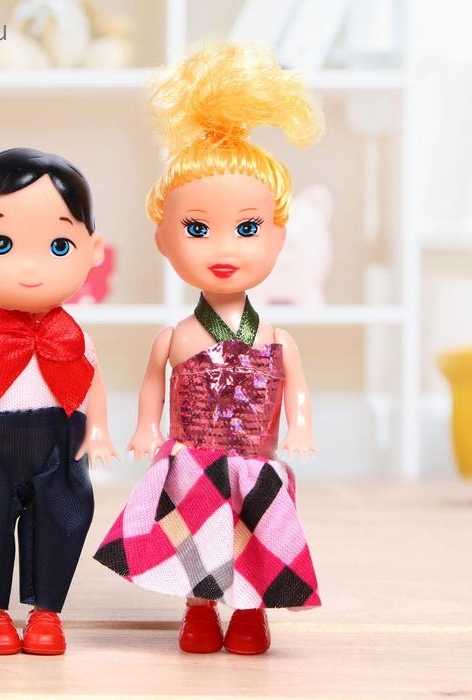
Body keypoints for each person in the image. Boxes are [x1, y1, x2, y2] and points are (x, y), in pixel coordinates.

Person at [94, 43, 323, 655]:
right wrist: (146, 426)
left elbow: (296, 389)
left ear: (278, 237)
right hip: (193, 462)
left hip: (253, 461)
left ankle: (250, 613)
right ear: (164, 240)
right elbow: (152, 383)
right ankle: (199, 610)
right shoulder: (176, 337)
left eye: (247, 229)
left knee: (251, 538)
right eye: (197, 229)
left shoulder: (275, 338)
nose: (224, 248)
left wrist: (300, 426)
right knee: (194, 537)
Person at [0, 147, 117, 656]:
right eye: (1, 243)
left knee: (64, 517)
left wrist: (98, 431)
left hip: (59, 438)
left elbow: (91, 382)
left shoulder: (75, 337)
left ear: (93, 250)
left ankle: (47, 612)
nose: (30, 267)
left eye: (59, 245)